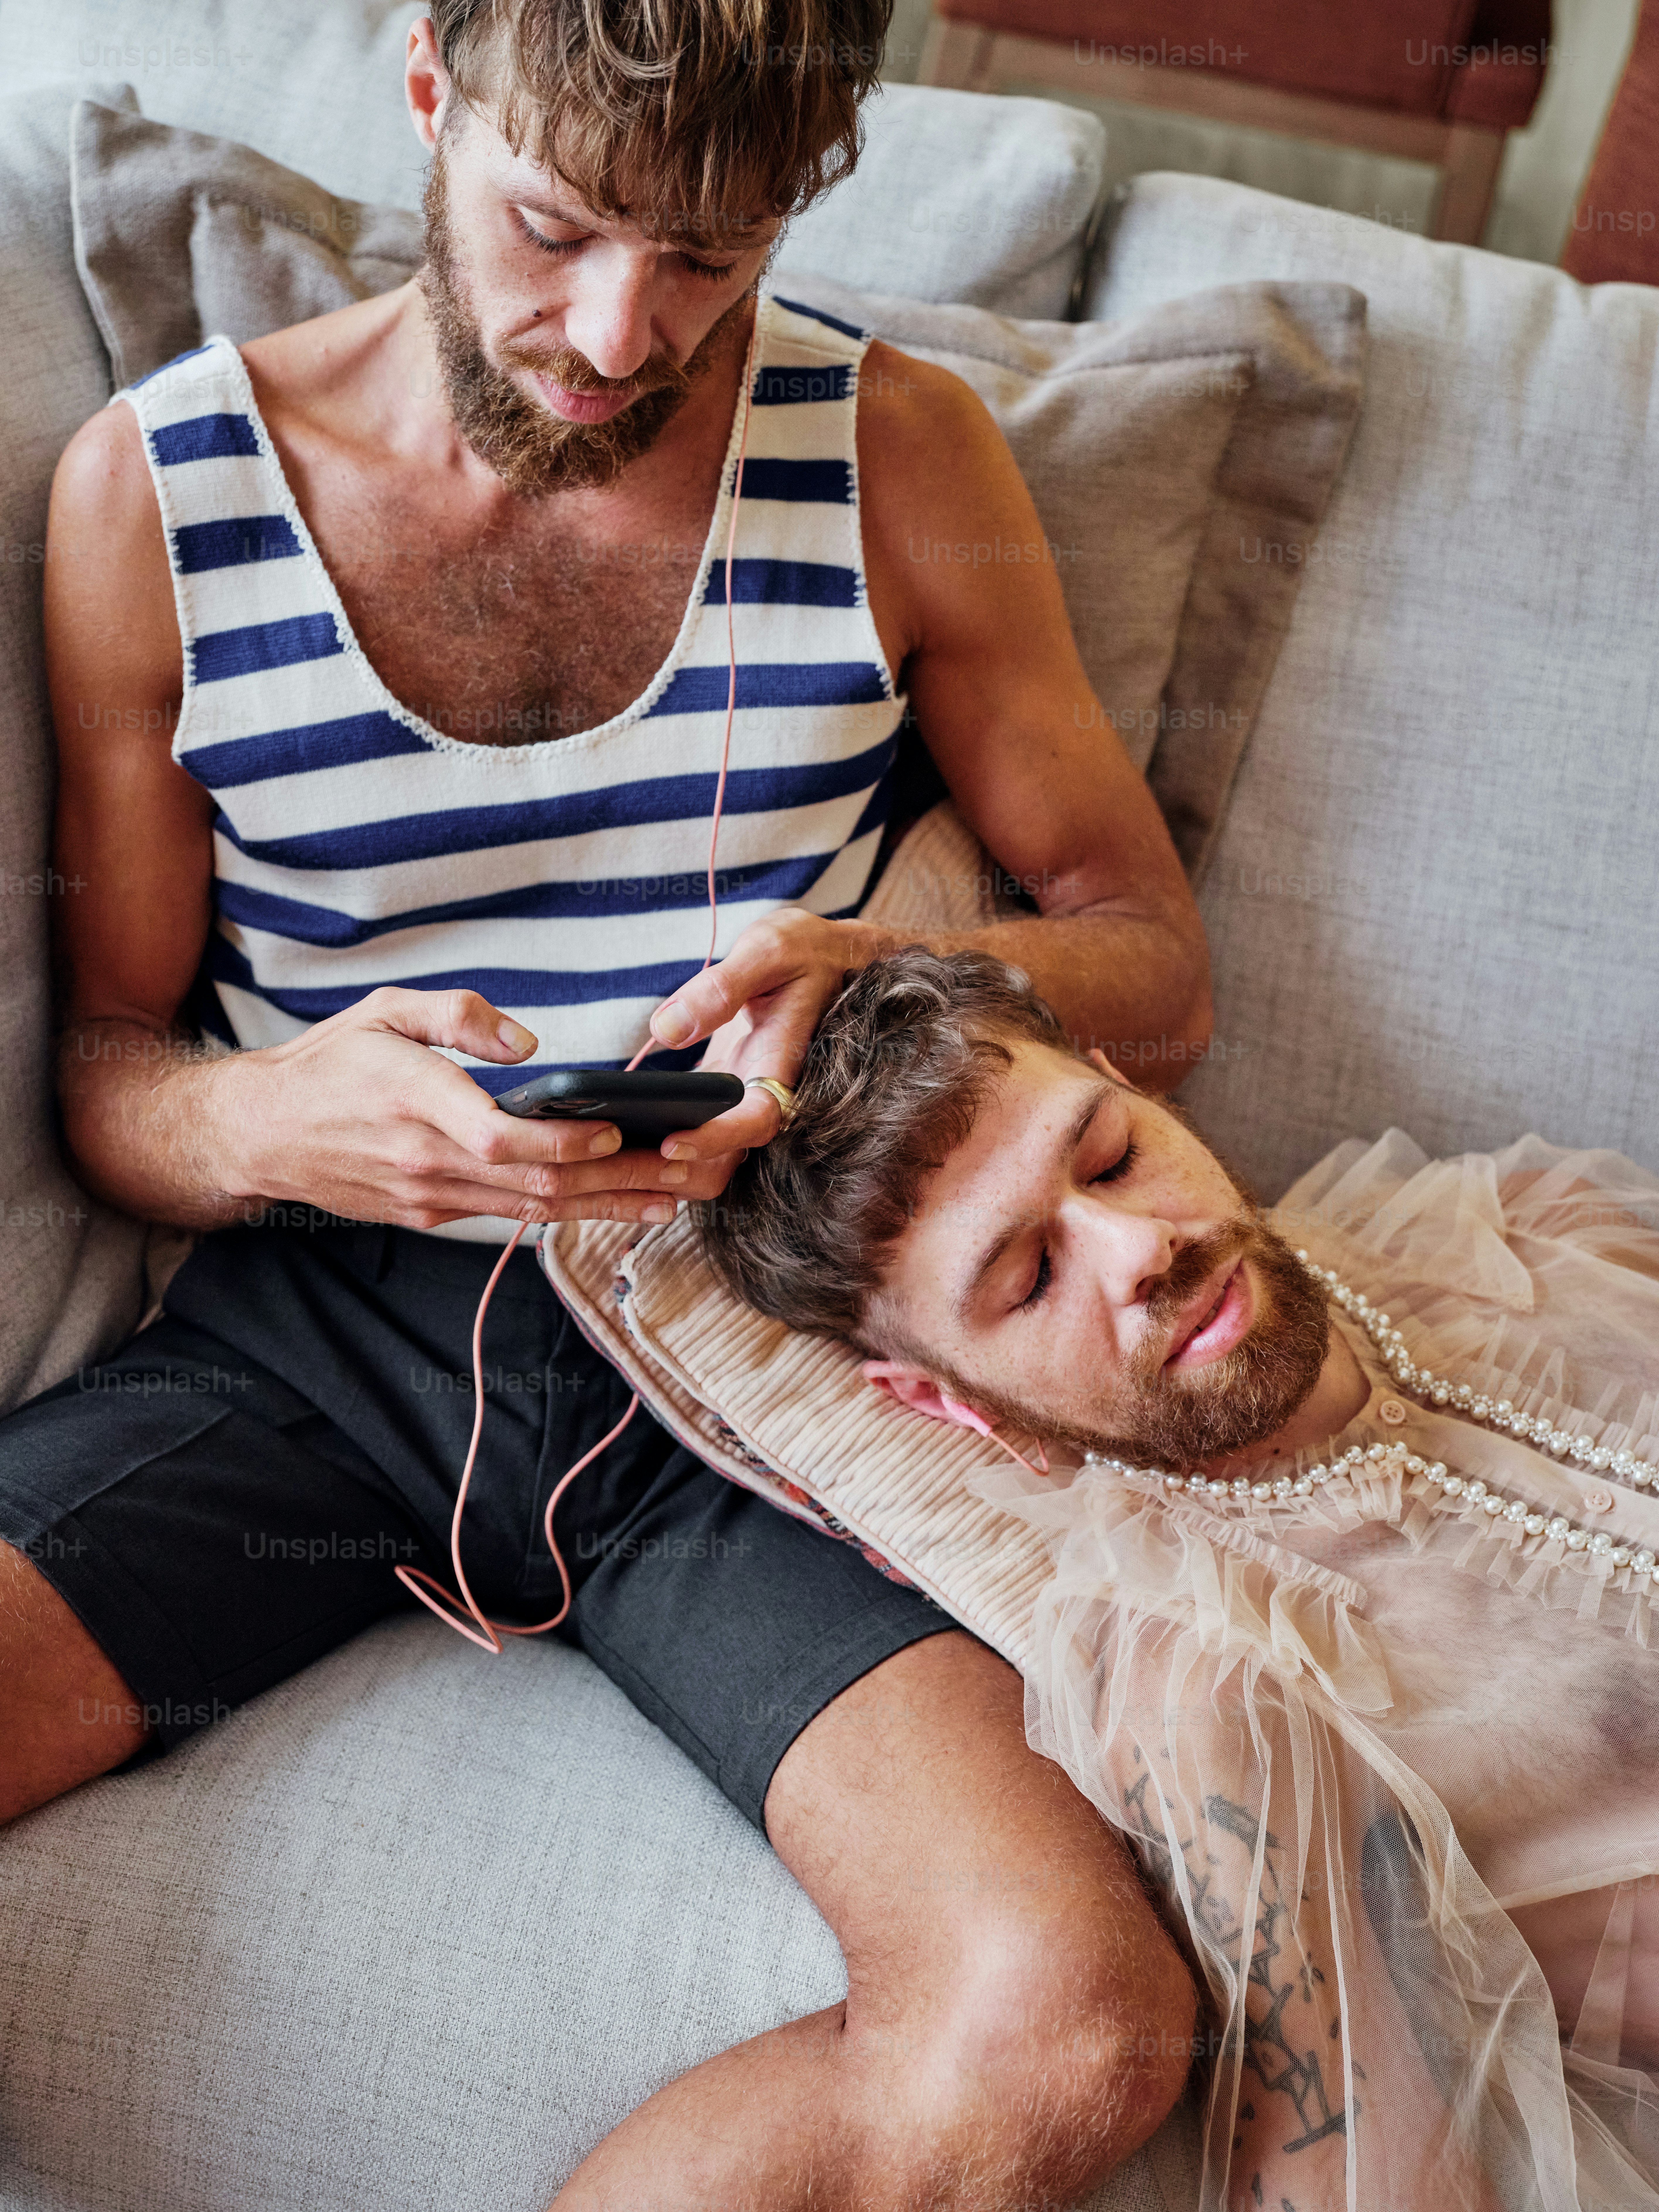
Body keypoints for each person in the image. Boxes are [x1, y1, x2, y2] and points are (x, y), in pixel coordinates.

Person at [0, 0, 1212, 2205]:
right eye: (555, 228)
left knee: (1069, 2018)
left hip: (753, 1355)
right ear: (432, 92)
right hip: (313, 1335)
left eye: (708, 262)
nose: (613, 332)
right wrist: (283, 1120)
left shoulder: (898, 456)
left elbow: (1149, 950)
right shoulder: (156, 499)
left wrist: (885, 972)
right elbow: (110, 1072)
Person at [697, 945, 1659, 2212]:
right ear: (939, 1401)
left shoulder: (1524, 1225)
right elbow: (1369, 2178)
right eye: (1031, 1275)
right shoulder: (1214, 1684)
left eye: (1111, 1155)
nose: (1141, 1247)